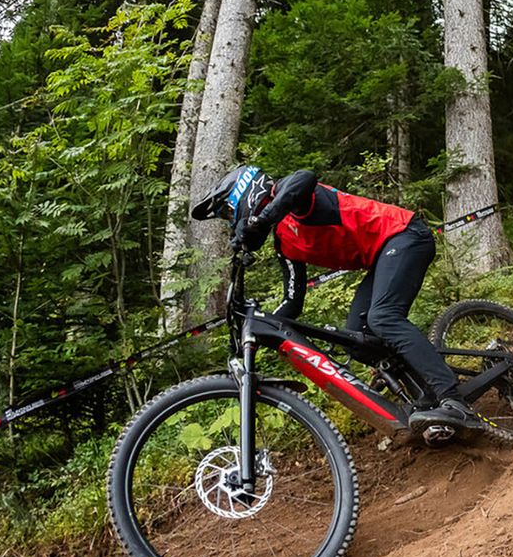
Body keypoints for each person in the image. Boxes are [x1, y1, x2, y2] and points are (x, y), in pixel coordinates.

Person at [190, 165, 480, 442]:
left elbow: (304, 179)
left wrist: (261, 219)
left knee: (382, 317)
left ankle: (452, 397)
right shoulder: (285, 244)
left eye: (230, 212)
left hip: (404, 235)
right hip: (380, 257)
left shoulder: (293, 200)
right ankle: (427, 393)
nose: (233, 221)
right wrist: (263, 327)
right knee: (357, 337)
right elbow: (292, 301)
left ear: (245, 192)